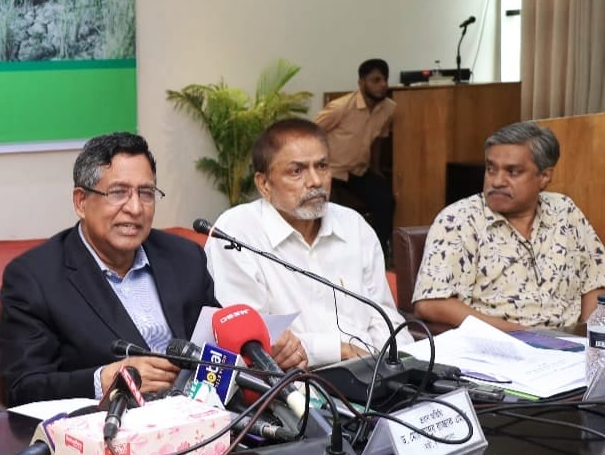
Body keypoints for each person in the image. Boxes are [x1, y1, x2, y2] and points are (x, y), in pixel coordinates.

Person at [0, 132, 307, 406]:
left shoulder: (184, 257)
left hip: (205, 417)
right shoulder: (35, 278)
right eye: (118, 193)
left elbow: (215, 343)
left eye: (146, 193)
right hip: (113, 432)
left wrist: (260, 355)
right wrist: (103, 380)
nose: (135, 208)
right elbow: (23, 388)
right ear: (81, 201)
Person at [205, 119, 399, 366]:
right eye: (297, 171)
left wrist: (395, 364)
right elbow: (252, 340)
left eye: (322, 166)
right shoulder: (237, 232)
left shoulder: (354, 225)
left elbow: (385, 318)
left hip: (372, 371)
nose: (316, 181)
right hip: (290, 380)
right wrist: (337, 350)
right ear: (264, 184)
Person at [413, 122, 605, 331]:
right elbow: (431, 304)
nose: (497, 182)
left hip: (571, 343)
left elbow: (595, 282)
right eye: (491, 169)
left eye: (512, 172)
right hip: (496, 343)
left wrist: (590, 335)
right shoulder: (459, 219)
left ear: (545, 176)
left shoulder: (564, 211)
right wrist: (525, 335)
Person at [315, 58, 396, 254]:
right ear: (361, 83)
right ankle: (333, 255)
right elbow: (311, 133)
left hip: (359, 171)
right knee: (330, 212)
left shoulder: (389, 108)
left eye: (385, 79)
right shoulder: (340, 107)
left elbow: (380, 139)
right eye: (376, 80)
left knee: (386, 201)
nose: (382, 85)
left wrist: (376, 168)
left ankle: (377, 252)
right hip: (332, 171)